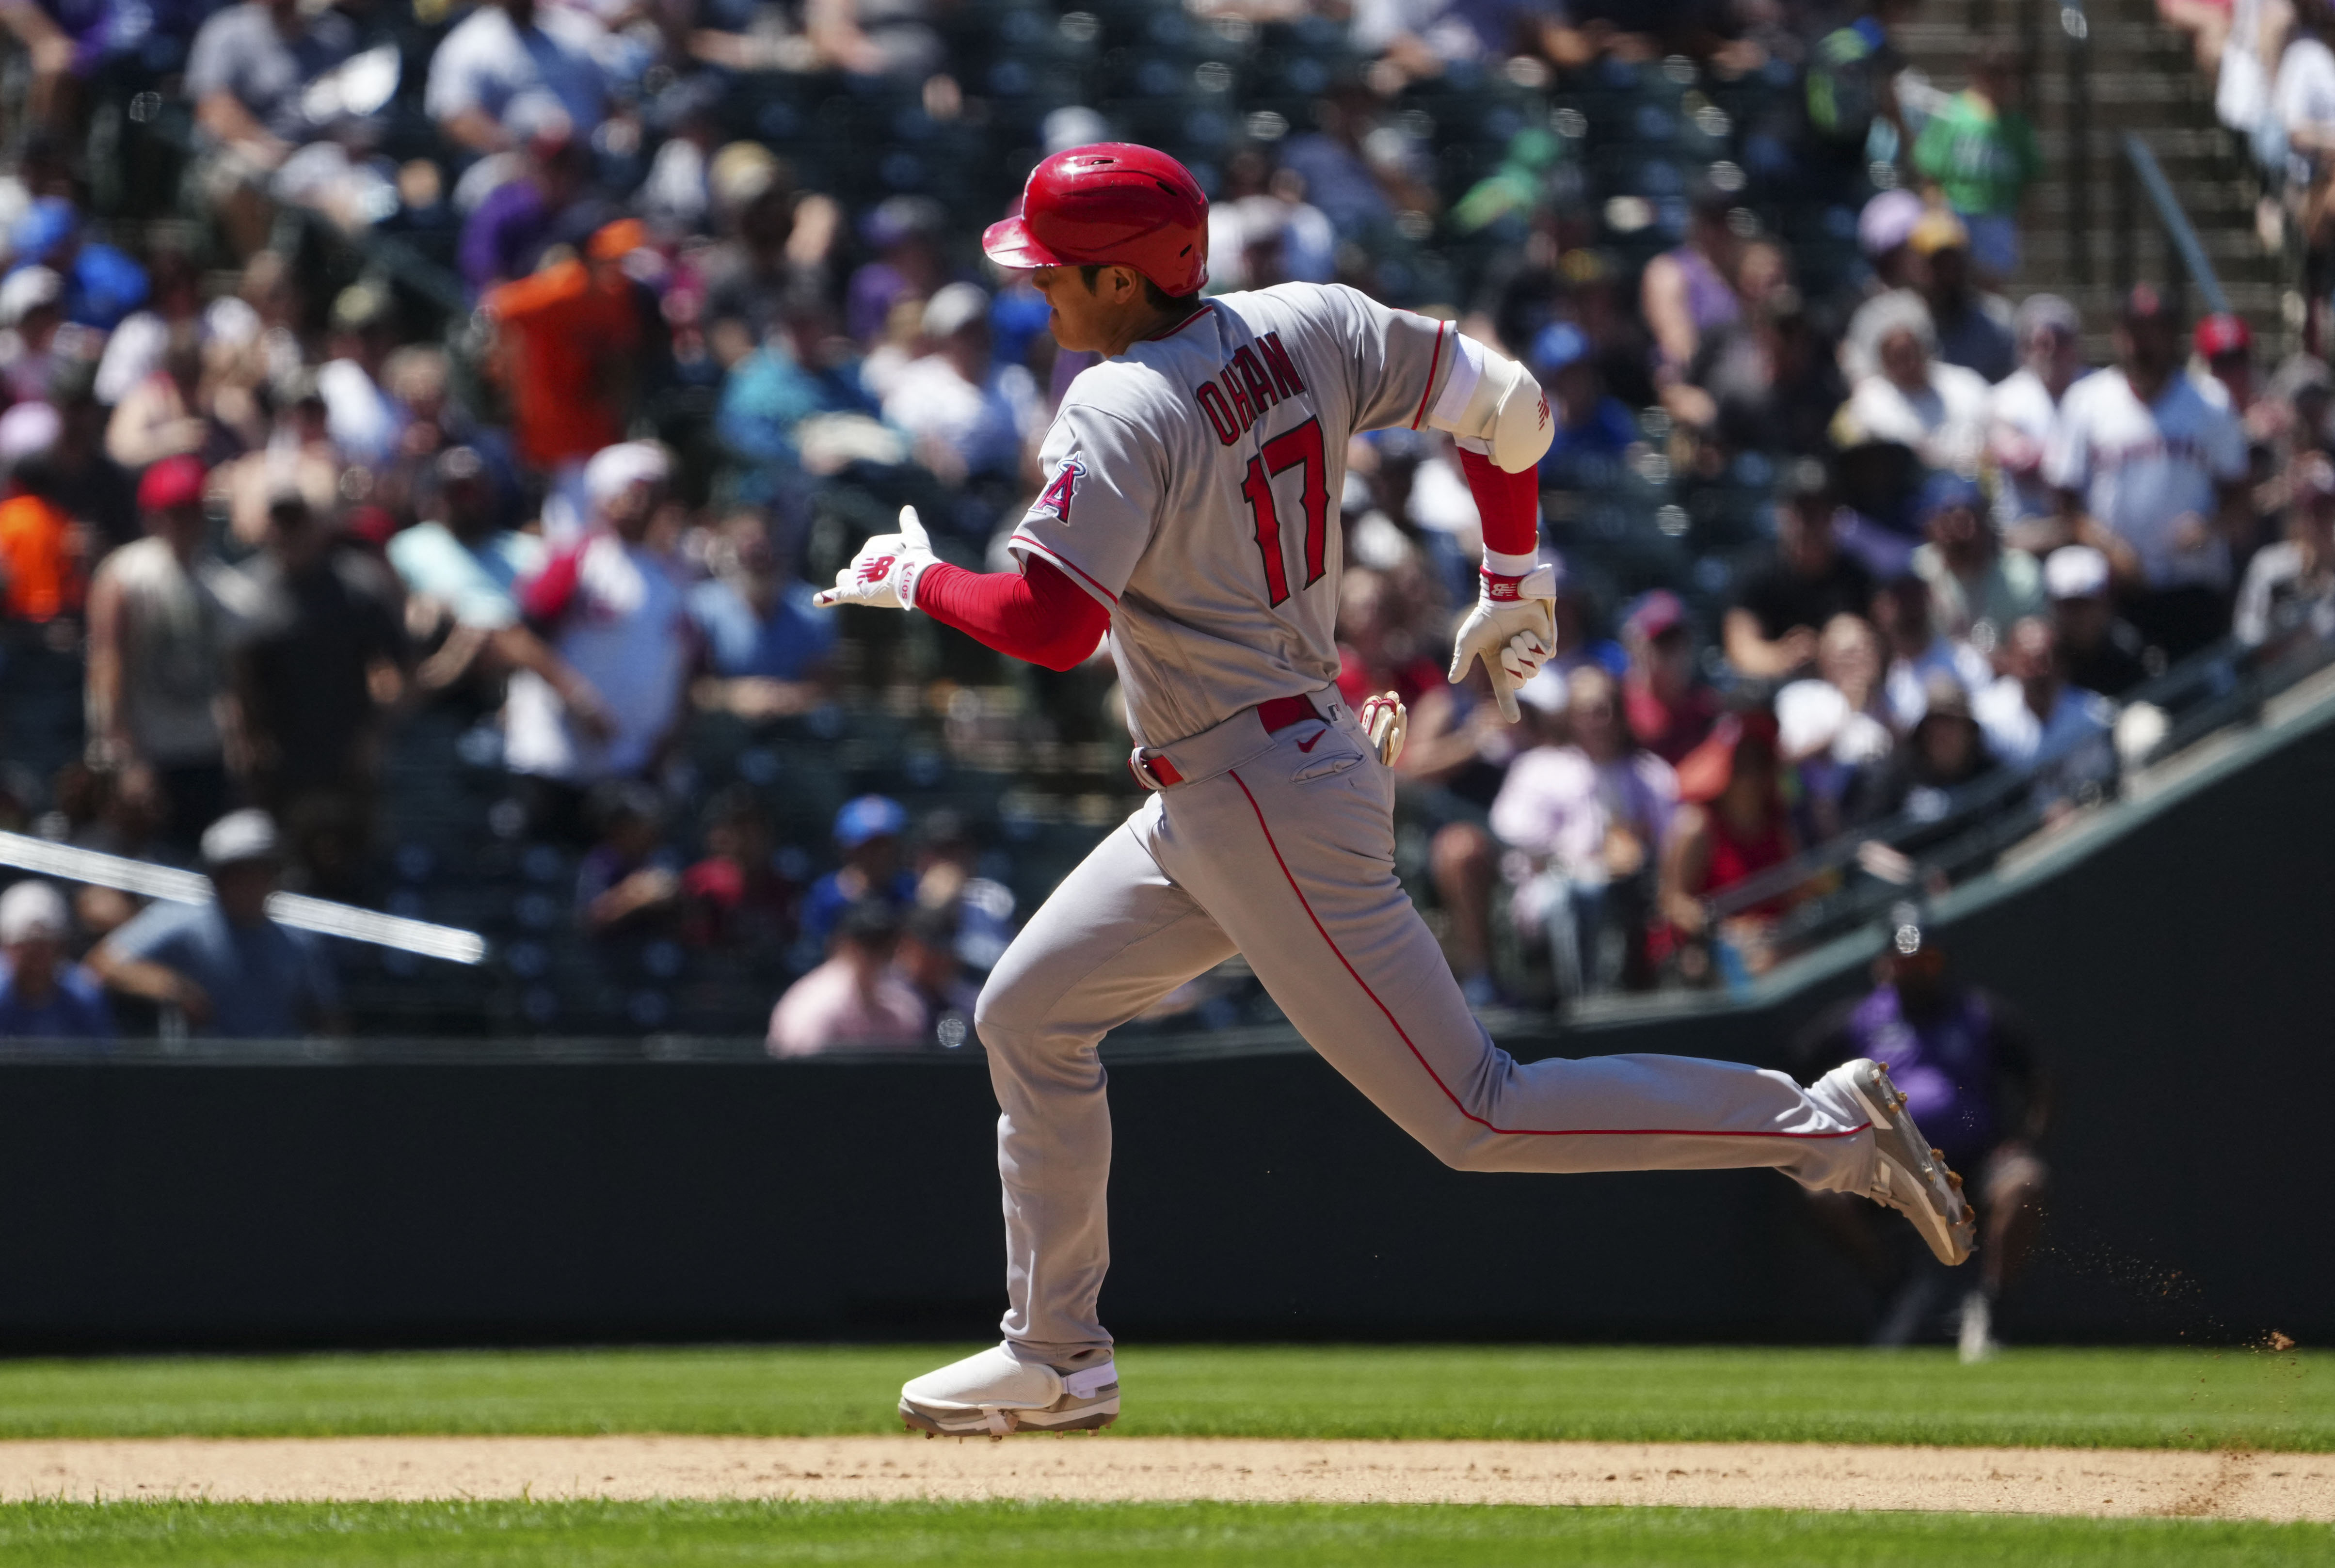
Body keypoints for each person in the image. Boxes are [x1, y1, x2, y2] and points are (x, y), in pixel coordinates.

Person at [815, 143, 1974, 1437]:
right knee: (1028, 1014)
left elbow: (1045, 624)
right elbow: (1516, 408)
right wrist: (1515, 579)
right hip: (1240, 780)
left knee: (1481, 1112)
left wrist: (915, 578)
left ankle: (1823, 1128)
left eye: (1056, 272)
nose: (1040, 294)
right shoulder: (1309, 317)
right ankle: (1057, 1352)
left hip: (1259, 791)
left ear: (1126, 281)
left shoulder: (1117, 403)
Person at [1795, 910, 2049, 1358]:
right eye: (1905, 962)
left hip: (1973, 1160)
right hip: (1889, 1164)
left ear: (1943, 962)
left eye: (1926, 960)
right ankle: (1892, 1287)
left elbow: (2041, 1077)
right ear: (1885, 966)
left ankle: (1992, 1308)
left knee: (2025, 1180)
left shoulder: (1979, 1014)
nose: (1915, 971)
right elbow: (1796, 1072)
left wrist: (2027, 1137)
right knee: (1821, 1189)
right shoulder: (1860, 1020)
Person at [2032, 285, 2249, 662]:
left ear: (2171, 335)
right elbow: (2065, 502)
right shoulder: (2088, 400)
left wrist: (2210, 527)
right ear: (2119, 335)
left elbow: (2240, 497)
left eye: (2154, 330)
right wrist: (2109, 547)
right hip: (2117, 589)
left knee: (2202, 703)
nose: (2143, 342)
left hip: (2193, 586)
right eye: (2134, 330)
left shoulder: (2210, 401)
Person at [503, 442, 694, 807]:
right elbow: (518, 637)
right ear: (603, 496)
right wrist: (578, 699)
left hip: (629, 764)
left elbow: (685, 665)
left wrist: (670, 737)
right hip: (556, 754)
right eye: (633, 491)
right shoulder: (577, 557)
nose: (643, 503)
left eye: (653, 494)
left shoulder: (672, 575)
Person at [82, 456, 238, 853]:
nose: (183, 523)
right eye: (173, 512)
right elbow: (107, 663)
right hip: (150, 748)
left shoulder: (216, 580)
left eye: (190, 512)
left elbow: (233, 669)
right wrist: (123, 753)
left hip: (204, 749)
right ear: (153, 515)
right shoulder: (128, 574)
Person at [87, 810, 343, 1038]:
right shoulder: (183, 922)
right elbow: (102, 964)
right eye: (237, 874)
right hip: (206, 1075)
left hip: (282, 1072)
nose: (249, 884)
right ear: (217, 878)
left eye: (259, 872)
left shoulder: (298, 939)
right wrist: (174, 987)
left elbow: (327, 1016)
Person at [1724, 467, 1877, 679]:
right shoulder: (1757, 572)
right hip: (1774, 694)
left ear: (1833, 515)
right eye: (1801, 510)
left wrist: (1829, 648)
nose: (1808, 522)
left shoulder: (1857, 577)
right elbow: (1741, 650)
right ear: (1782, 513)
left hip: (1843, 690)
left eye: (1818, 510)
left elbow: (1876, 646)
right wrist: (1784, 655)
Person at [1911, 40, 2042, 284]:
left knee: (1993, 285)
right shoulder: (1952, 113)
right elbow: (1930, 173)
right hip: (1956, 212)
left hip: (2000, 215)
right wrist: (1937, 215)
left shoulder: (2018, 125)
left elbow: (2030, 181)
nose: (2001, 81)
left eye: (2007, 73)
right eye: (1993, 72)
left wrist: (2024, 227)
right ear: (1976, 72)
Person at [1972, 616, 2117, 806]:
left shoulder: (2093, 713)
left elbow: (2105, 780)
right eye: (2028, 662)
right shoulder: (1987, 720)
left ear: (2061, 664)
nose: (2039, 672)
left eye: (2045, 660)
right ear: (2010, 662)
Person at [766, 899, 926, 1056]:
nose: (879, 953)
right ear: (843, 943)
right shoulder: (814, 1003)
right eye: (871, 943)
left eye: (887, 943)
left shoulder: (904, 1000)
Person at [1987, 295, 2088, 532]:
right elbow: (2022, 463)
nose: (2053, 351)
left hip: (2087, 527)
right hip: (2027, 528)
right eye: (2043, 342)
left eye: (2062, 340)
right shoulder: (2005, 398)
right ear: (2025, 348)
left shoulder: (2096, 389)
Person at [2235, 448, 2335, 653]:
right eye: (2315, 514)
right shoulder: (2270, 570)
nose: (2324, 523)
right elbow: (2246, 644)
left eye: (2329, 511)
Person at [0, 879, 112, 1043]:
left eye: (44, 946)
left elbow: (105, 1059)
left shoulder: (84, 995)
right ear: (5, 947)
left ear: (61, 947)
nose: (35, 958)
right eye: (24, 946)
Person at [2046, 544, 2152, 697]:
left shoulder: (2130, 648)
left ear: (2106, 600)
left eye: (2086, 603)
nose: (2079, 615)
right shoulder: (2045, 660)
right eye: (2069, 606)